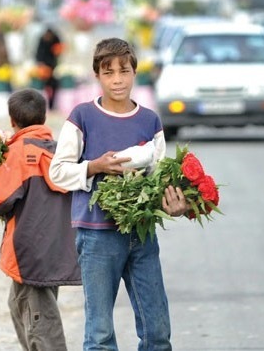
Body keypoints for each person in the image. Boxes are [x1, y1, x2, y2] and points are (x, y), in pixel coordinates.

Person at [49, 38, 188, 350]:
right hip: (97, 236)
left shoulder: (149, 120)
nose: (117, 80)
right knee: (99, 335)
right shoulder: (82, 116)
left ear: (134, 73)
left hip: (142, 234)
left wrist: (178, 205)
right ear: (97, 76)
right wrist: (95, 166)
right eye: (108, 73)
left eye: (123, 71)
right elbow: (56, 172)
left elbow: (159, 176)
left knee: (157, 331)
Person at [0, 88, 81, 351]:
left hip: (29, 251)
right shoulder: (58, 151)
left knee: (40, 322)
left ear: (12, 121)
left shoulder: (19, 154)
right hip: (55, 249)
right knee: (22, 307)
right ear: (44, 117)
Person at [35, 27, 62, 110]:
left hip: (53, 67)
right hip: (44, 68)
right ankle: (43, 105)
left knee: (54, 87)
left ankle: (51, 105)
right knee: (43, 88)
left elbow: (59, 51)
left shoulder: (56, 39)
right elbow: (38, 54)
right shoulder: (42, 40)